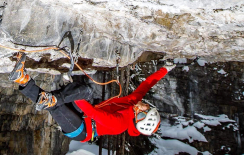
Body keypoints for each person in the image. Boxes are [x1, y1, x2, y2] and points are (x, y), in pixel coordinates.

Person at [10, 52, 171, 142]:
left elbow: (95, 114)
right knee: (81, 92)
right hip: (85, 117)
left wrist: (75, 97)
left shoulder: (120, 124)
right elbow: (147, 85)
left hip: (82, 130)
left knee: (61, 103)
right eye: (149, 107)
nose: (145, 105)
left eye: (145, 110)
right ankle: (21, 79)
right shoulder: (133, 102)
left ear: (139, 117)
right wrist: (165, 69)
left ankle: (28, 83)